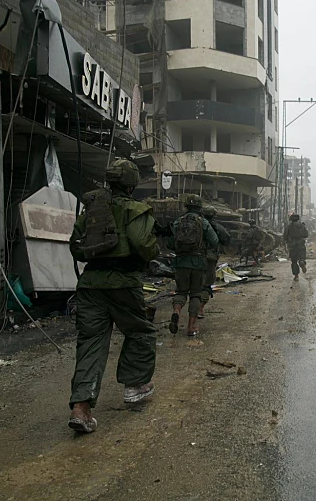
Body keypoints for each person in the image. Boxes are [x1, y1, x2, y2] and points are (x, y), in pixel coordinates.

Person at [67, 159, 160, 433]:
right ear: (131, 185)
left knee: (90, 342)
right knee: (140, 332)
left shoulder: (92, 210)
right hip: (123, 284)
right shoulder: (135, 210)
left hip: (90, 285)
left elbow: (76, 247)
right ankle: (135, 385)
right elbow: (144, 245)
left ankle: (81, 409)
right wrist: (153, 253)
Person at [169, 194, 218, 336]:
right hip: (198, 263)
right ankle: (191, 327)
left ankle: (176, 311)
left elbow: (170, 243)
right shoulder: (203, 222)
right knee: (195, 294)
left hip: (181, 262)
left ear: (186, 206)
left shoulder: (178, 222)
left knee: (181, 292)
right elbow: (214, 241)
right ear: (199, 206)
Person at [199, 206, 231, 319]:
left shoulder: (196, 224)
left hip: (193, 258)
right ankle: (200, 308)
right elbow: (226, 239)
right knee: (207, 284)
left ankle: (179, 309)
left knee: (194, 285)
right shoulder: (216, 227)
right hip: (209, 259)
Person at [283, 213, 309, 281]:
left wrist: (288, 241)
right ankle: (302, 262)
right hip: (301, 244)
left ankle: (296, 276)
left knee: (294, 261)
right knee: (302, 257)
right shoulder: (302, 226)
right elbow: (306, 235)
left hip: (292, 245)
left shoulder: (288, 227)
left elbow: (285, 236)